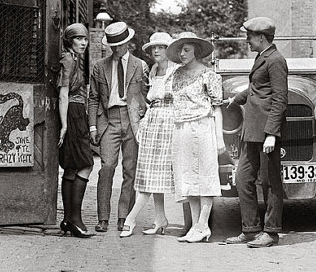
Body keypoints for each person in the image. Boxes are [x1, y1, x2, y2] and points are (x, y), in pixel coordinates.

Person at [225, 17, 288, 248]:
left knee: (270, 182)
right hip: (252, 131)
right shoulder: (262, 58)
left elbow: (280, 99)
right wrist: (235, 99)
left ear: (261, 37)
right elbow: (257, 89)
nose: (247, 40)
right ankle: (250, 229)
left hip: (266, 132)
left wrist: (272, 133)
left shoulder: (276, 60)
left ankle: (271, 232)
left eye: (249, 36)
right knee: (243, 178)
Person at [88, 21, 149, 232]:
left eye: (120, 44)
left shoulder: (140, 65)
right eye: (113, 45)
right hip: (108, 120)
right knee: (106, 168)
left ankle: (124, 217)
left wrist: (144, 118)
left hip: (132, 121)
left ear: (128, 43)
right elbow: (93, 98)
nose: (116, 49)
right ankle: (103, 218)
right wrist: (93, 127)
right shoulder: (99, 66)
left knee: (130, 170)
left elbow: (147, 96)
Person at [166, 32, 225, 243]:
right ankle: (194, 226)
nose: (182, 54)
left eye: (186, 50)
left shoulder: (209, 75)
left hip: (202, 126)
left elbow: (217, 108)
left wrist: (219, 138)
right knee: (187, 177)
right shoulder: (176, 75)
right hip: (182, 128)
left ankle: (203, 225)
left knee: (204, 175)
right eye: (180, 50)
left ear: (196, 51)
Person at [120, 32, 178, 238]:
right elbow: (145, 99)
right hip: (152, 122)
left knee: (153, 175)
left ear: (169, 50)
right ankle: (160, 218)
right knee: (150, 173)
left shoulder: (176, 71)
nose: (156, 51)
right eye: (154, 48)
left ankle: (130, 219)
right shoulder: (153, 70)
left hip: (169, 123)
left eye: (161, 47)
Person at [57, 23, 95, 238]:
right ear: (69, 40)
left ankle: (68, 220)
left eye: (85, 39)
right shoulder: (68, 60)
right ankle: (75, 219)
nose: (83, 43)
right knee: (86, 164)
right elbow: (63, 94)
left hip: (76, 111)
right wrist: (64, 125)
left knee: (71, 168)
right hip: (72, 112)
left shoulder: (75, 59)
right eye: (78, 39)